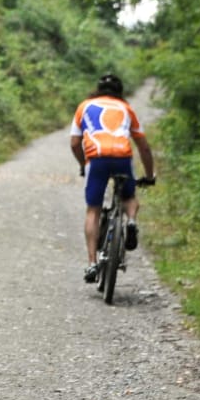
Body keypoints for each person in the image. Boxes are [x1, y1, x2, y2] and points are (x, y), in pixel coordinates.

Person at [70, 73, 156, 283]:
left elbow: (74, 143)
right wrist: (149, 175)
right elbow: (143, 146)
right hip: (121, 157)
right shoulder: (126, 108)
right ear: (120, 92)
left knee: (93, 210)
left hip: (96, 158)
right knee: (129, 197)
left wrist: (83, 164)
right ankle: (132, 222)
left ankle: (91, 264)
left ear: (98, 89)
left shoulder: (85, 106)